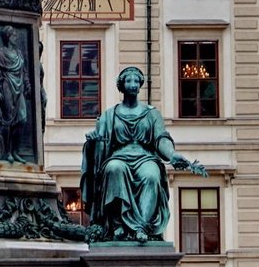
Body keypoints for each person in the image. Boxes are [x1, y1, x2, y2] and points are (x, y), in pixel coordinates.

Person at [81, 66, 206, 241]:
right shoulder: (110, 115)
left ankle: (141, 227)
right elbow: (99, 145)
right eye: (128, 80)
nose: (132, 84)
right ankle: (118, 225)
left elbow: (161, 139)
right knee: (113, 168)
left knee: (152, 175)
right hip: (119, 156)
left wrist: (172, 154)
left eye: (136, 81)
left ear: (140, 86)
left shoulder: (152, 113)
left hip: (145, 157)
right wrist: (92, 142)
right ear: (121, 85)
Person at [0, 24, 31, 162]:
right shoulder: (0, 53)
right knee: (7, 121)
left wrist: (27, 85)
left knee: (22, 119)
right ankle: (7, 151)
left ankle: (15, 151)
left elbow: (24, 71)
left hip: (19, 88)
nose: (16, 36)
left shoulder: (19, 53)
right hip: (6, 86)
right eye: (13, 35)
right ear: (7, 37)